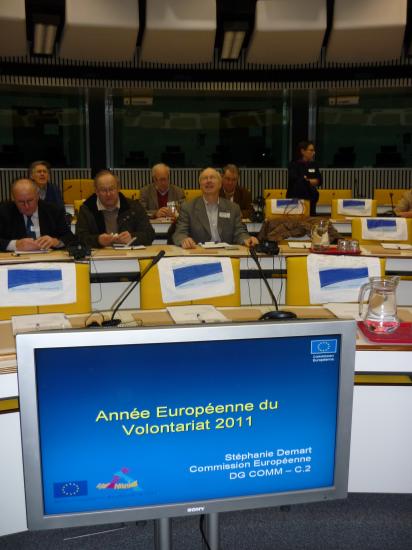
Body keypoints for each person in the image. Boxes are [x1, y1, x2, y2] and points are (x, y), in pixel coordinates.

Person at [173, 167, 258, 249]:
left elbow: (239, 232)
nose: (208, 181)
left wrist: (246, 239)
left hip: (226, 254)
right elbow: (179, 233)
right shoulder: (188, 208)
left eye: (212, 178)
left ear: (220, 184)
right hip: (199, 254)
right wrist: (184, 240)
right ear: (200, 185)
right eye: (205, 178)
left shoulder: (233, 208)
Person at [76, 170, 154, 248]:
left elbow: (149, 234)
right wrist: (98, 240)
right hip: (100, 254)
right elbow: (79, 238)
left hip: (128, 253)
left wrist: (131, 237)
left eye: (111, 189)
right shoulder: (87, 209)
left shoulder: (134, 207)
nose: (108, 194)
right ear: (96, 191)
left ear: (118, 188)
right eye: (103, 190)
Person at [0, 179, 75, 252]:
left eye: (30, 200)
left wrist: (56, 242)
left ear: (37, 196)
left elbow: (69, 237)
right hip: (16, 259)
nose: (26, 206)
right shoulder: (4, 212)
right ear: (13, 199)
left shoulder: (54, 211)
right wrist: (15, 244)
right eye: (21, 202)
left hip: (48, 258)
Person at [287, 141, 322, 216]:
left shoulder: (314, 164)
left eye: (314, 150)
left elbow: (319, 181)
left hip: (311, 199)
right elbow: (296, 180)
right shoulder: (294, 164)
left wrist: (307, 180)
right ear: (303, 151)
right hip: (296, 199)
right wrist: (310, 181)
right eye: (311, 150)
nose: (313, 153)